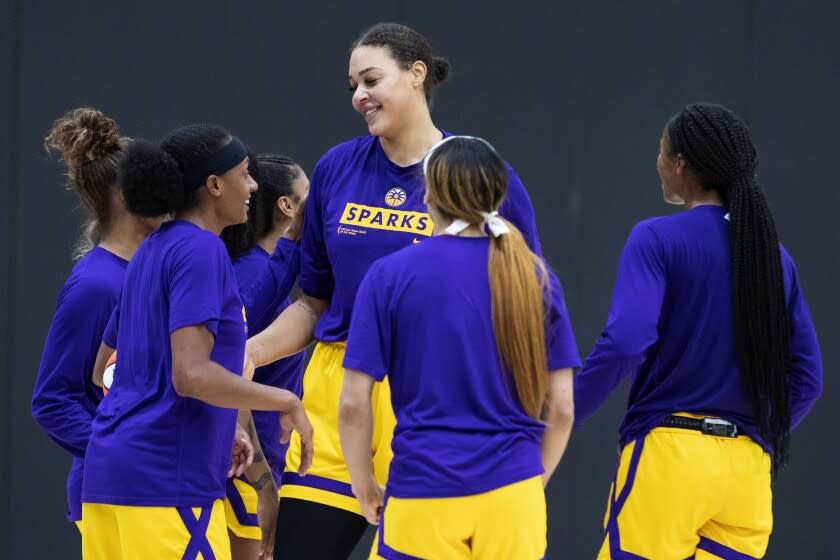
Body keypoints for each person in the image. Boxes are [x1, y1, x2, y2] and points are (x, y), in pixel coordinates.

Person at [244, 22, 546, 558]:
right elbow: (315, 301)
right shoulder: (337, 167)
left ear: (416, 74)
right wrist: (252, 351)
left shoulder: (482, 175)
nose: (359, 95)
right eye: (353, 85)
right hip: (341, 390)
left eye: (371, 79)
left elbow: (523, 303)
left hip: (432, 398)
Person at [573, 103, 823, 559]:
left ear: (680, 164)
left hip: (671, 457)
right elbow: (808, 378)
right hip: (746, 472)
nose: (658, 163)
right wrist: (759, 436)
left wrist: (565, 413)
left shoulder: (657, 238)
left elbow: (627, 340)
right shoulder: (774, 258)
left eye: (660, 153)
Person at [80, 124, 313, 560]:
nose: (253, 185)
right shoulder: (202, 252)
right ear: (213, 185)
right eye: (244, 174)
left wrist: (220, 425)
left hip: (108, 476)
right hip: (166, 482)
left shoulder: (151, 250)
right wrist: (285, 400)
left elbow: (103, 369)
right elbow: (191, 375)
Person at [339, 135, 578, 559]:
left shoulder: (389, 274)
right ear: (499, 193)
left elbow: (354, 405)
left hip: (421, 491)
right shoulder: (536, 277)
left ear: (428, 193)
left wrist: (364, 487)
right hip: (513, 493)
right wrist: (527, 482)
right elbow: (560, 410)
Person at [31, 108, 167, 536]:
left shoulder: (152, 269)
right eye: (157, 186)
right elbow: (52, 400)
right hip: (116, 492)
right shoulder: (96, 284)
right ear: (127, 196)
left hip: (156, 487)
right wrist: (124, 451)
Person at [220, 153, 309, 559]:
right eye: (311, 197)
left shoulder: (265, 270)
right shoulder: (252, 274)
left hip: (256, 467)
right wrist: (264, 485)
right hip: (243, 474)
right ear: (287, 206)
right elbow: (229, 378)